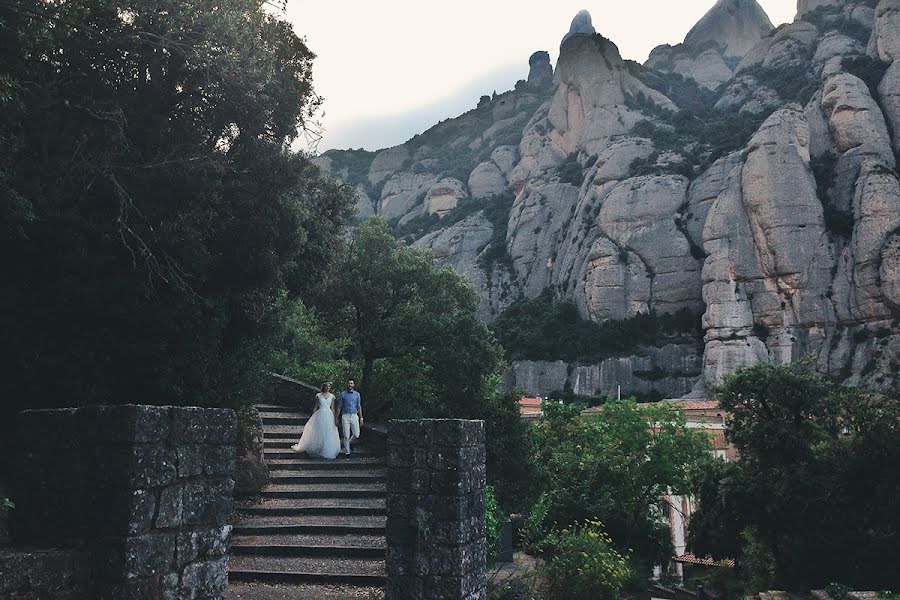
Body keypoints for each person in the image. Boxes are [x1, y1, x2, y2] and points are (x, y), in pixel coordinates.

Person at [291, 382, 341, 459]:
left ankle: (327, 449)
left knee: (328, 432)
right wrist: (313, 417)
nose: (327, 388)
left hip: (329, 415)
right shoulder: (318, 395)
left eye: (329, 387)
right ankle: (318, 447)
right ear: (323, 387)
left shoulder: (332, 396)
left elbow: (332, 408)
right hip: (320, 414)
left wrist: (335, 418)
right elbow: (315, 407)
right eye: (326, 386)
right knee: (319, 431)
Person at [337, 378, 363, 456]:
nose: (350, 385)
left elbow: (359, 406)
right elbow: (339, 407)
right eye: (349, 383)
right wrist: (336, 418)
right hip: (345, 415)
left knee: (356, 434)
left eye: (351, 383)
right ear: (346, 384)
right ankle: (347, 452)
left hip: (354, 415)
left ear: (354, 385)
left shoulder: (357, 394)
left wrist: (361, 418)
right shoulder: (342, 394)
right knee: (346, 434)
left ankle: (349, 442)